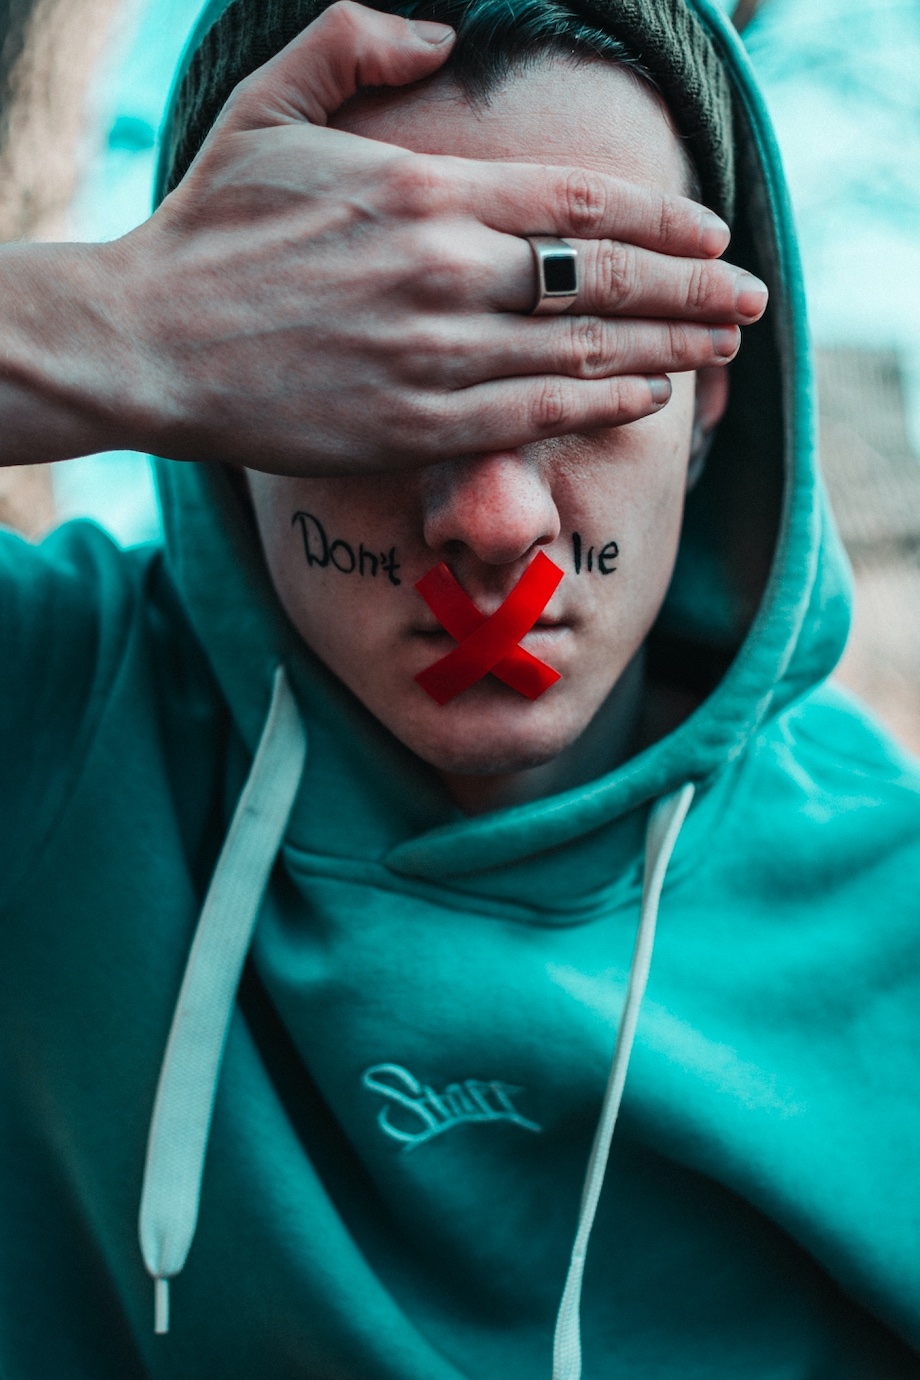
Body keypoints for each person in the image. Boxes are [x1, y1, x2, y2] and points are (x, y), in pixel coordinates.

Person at [1, 1, 919, 1378]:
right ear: (213, 396)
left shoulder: (894, 919)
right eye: (374, 378)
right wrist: (111, 321)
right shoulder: (54, 718)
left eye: (582, 370)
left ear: (713, 392)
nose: (492, 525)